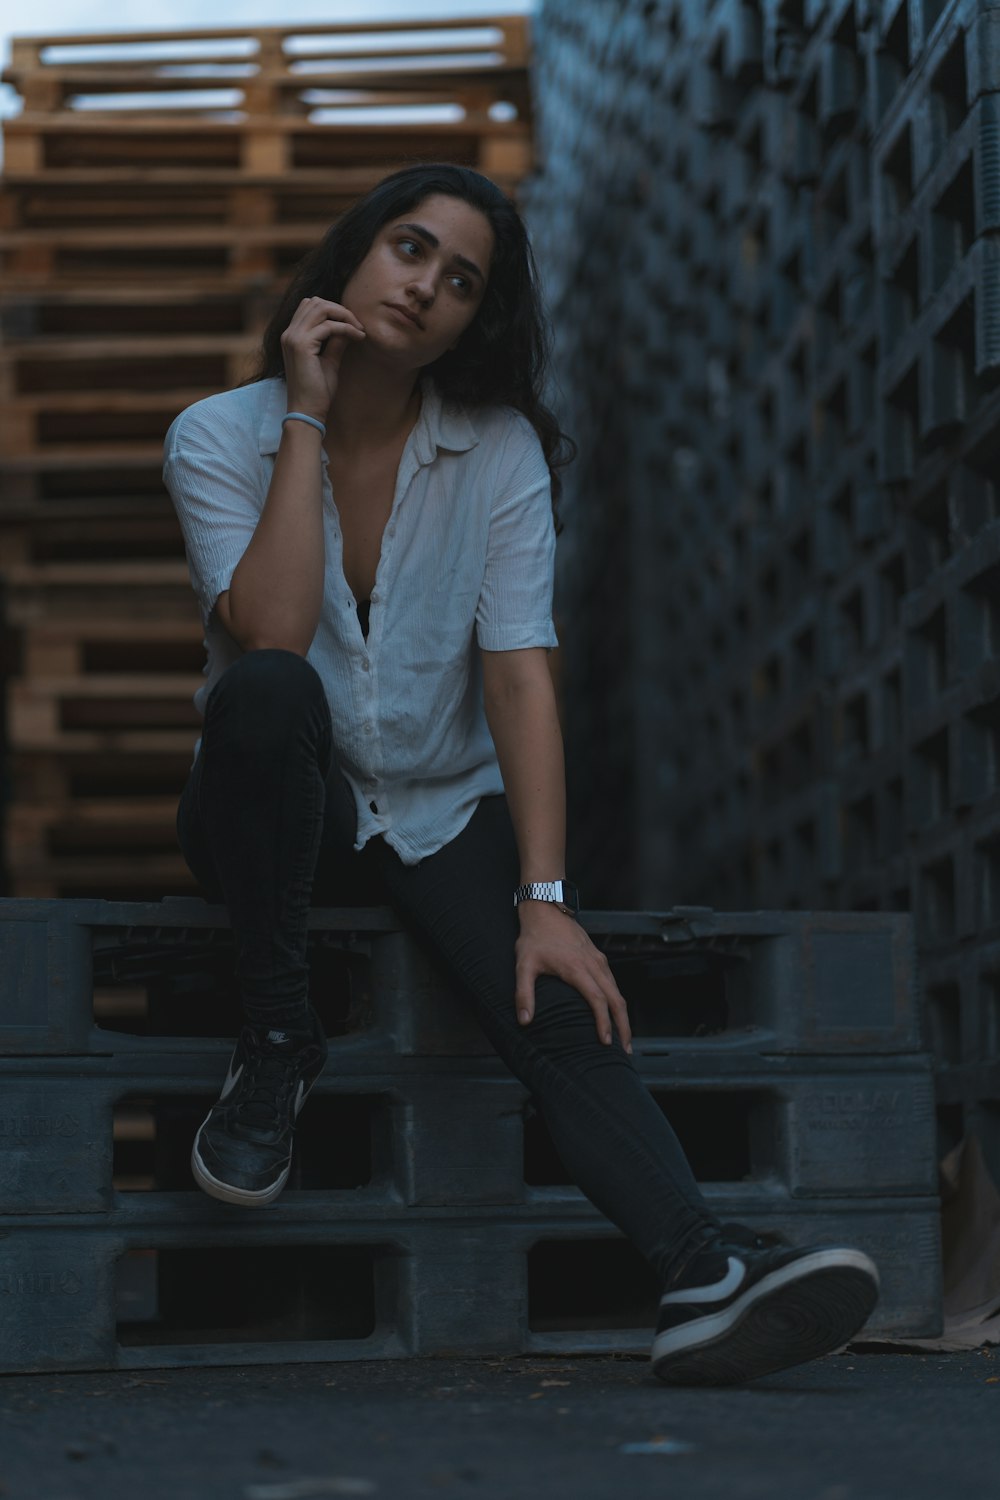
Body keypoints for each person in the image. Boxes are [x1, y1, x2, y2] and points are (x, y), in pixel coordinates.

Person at [162, 162, 879, 1385]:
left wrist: (545, 901)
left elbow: (518, 675)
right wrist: (301, 409)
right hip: (283, 806)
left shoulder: (496, 452)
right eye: (408, 248)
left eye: (461, 280)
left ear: (473, 317)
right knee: (271, 693)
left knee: (558, 1002)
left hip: (440, 806)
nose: (426, 287)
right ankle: (275, 1041)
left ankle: (700, 1274)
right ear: (351, 255)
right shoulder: (217, 434)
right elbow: (271, 633)